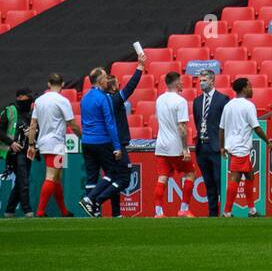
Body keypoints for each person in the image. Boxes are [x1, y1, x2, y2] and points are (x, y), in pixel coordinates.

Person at [28, 74, 81, 218]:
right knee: (52, 176)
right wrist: (82, 137)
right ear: (62, 84)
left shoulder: (39, 101)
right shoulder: (62, 101)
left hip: (43, 143)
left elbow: (33, 125)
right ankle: (40, 211)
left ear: (48, 84)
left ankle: (64, 211)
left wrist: (31, 144)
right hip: (57, 144)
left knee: (57, 177)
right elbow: (72, 123)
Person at [100, 55, 145, 217]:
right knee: (124, 178)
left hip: (109, 142)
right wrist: (140, 68)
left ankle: (116, 212)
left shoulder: (105, 100)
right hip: (117, 143)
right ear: (113, 88)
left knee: (115, 177)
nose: (120, 86)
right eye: (117, 84)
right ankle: (97, 200)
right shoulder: (114, 100)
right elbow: (130, 88)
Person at [77, 67, 124, 217]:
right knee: (113, 173)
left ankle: (94, 210)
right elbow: (110, 123)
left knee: (92, 176)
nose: (107, 80)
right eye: (105, 78)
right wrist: (117, 146)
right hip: (102, 140)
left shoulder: (85, 97)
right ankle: (89, 199)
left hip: (86, 141)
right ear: (100, 81)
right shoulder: (103, 98)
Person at [219, 77, 267, 217]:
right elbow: (256, 127)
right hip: (240, 147)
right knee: (235, 178)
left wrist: (222, 147)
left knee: (250, 175)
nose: (252, 89)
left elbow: (221, 128)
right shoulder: (248, 105)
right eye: (250, 86)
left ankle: (252, 210)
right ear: (244, 88)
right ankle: (227, 212)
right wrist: (267, 141)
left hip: (234, 146)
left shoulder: (228, 105)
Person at [154, 71, 197, 217]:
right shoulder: (180, 101)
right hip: (176, 147)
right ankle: (183, 209)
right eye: (181, 81)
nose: (183, 83)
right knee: (190, 173)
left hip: (161, 145)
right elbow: (182, 127)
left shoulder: (159, 99)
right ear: (177, 83)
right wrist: (185, 148)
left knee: (162, 177)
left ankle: (158, 212)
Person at [191, 69, 229, 218]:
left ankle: (225, 212)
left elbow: (225, 123)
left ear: (212, 81)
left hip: (217, 147)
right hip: (202, 146)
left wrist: (222, 145)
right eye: (200, 80)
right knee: (208, 183)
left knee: (220, 181)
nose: (201, 83)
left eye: (204, 80)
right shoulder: (197, 101)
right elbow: (197, 121)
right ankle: (212, 214)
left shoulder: (222, 99)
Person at [0, 89, 35, 217]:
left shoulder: (32, 113)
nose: (25, 101)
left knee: (21, 181)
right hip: (14, 152)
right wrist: (11, 143)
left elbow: (36, 130)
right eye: (23, 98)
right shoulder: (10, 111)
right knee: (23, 181)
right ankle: (27, 210)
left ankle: (9, 210)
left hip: (28, 151)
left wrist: (33, 133)